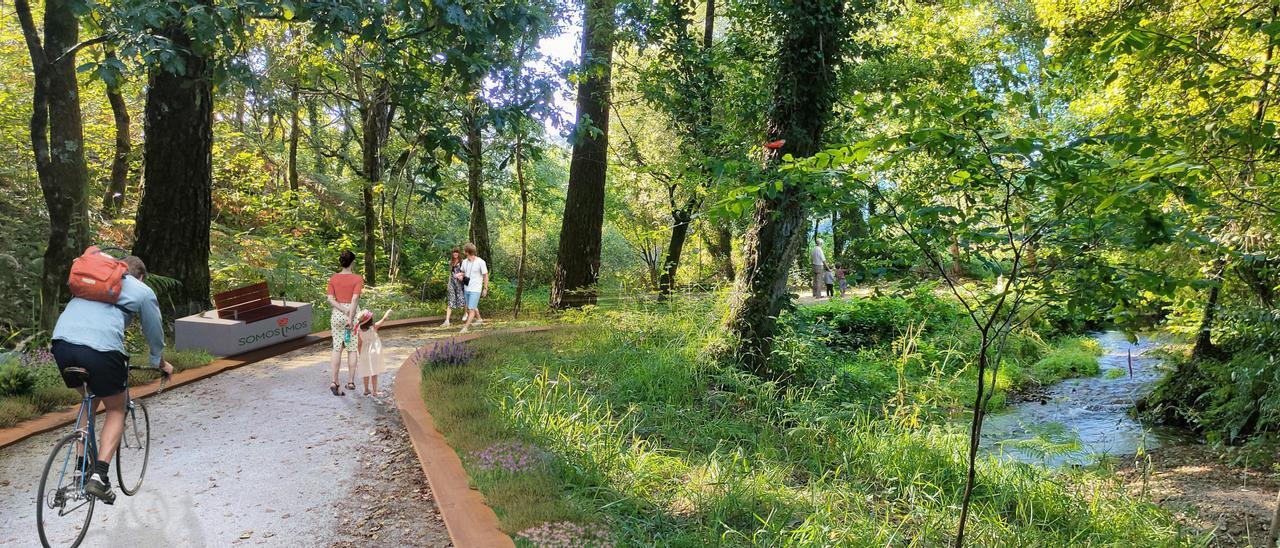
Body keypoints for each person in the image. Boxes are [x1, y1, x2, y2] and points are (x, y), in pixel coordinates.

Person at [51, 255, 173, 505]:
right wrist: (159, 362)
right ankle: (100, 476)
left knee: (89, 399)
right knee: (116, 408)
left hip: (62, 344)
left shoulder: (93, 279)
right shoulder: (142, 289)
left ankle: (80, 468)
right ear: (140, 276)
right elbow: (154, 332)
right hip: (102, 350)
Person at [327, 251, 363, 396]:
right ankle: (350, 382)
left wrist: (342, 309)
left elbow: (330, 299)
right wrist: (350, 316)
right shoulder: (357, 279)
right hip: (352, 315)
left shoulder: (333, 278)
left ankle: (334, 381)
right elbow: (354, 300)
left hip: (337, 314)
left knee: (337, 348)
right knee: (352, 348)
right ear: (352, 262)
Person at [355, 308, 392, 397]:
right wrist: (387, 312)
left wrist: (360, 355)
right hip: (374, 352)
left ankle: (366, 390)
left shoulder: (359, 330)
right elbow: (384, 320)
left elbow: (359, 344)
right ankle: (375, 391)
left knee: (365, 372)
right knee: (374, 373)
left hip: (364, 353)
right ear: (370, 320)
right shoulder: (374, 327)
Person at [458, 243, 489, 334]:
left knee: (471, 309)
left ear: (468, 252)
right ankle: (479, 320)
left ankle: (465, 328)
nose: (463, 252)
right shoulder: (464, 262)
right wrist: (460, 275)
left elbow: (485, 275)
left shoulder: (480, 262)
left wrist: (485, 288)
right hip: (467, 288)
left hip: (476, 289)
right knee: (470, 307)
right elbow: (463, 272)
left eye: (465, 251)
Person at [442, 249, 465, 327]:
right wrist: (448, 283)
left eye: (457, 252)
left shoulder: (462, 262)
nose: (455, 253)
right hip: (452, 283)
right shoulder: (450, 262)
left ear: (459, 253)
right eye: (454, 252)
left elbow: (465, 272)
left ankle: (466, 314)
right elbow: (450, 274)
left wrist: (460, 276)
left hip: (460, 283)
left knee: (463, 299)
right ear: (452, 253)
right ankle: (447, 320)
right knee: (450, 300)